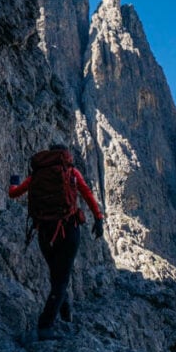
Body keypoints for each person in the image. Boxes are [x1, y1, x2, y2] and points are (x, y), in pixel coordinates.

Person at [9, 145, 104, 341]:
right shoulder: (71, 173)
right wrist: (98, 219)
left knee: (57, 275)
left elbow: (14, 193)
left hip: (44, 232)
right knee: (61, 279)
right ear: (65, 156)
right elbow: (87, 195)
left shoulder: (37, 175)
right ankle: (45, 326)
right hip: (69, 231)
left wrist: (13, 182)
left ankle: (65, 310)